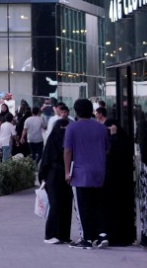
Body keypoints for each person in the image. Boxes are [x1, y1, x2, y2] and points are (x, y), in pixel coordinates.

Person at [65, 98, 111, 248]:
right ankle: (102, 235)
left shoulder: (72, 128)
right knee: (99, 204)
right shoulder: (101, 127)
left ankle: (87, 239)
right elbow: (107, 148)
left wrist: (67, 172)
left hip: (80, 173)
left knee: (83, 206)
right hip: (100, 171)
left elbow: (67, 151)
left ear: (76, 111)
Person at [39, 113, 72, 245]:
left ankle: (63, 235)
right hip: (54, 176)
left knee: (66, 204)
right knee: (56, 204)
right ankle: (50, 234)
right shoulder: (53, 143)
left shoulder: (53, 140)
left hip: (63, 175)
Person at [103, 118, 137, 248]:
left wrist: (113, 137)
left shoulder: (119, 141)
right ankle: (122, 236)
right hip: (122, 182)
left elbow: (111, 153)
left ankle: (117, 236)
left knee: (116, 209)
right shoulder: (124, 140)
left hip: (116, 182)